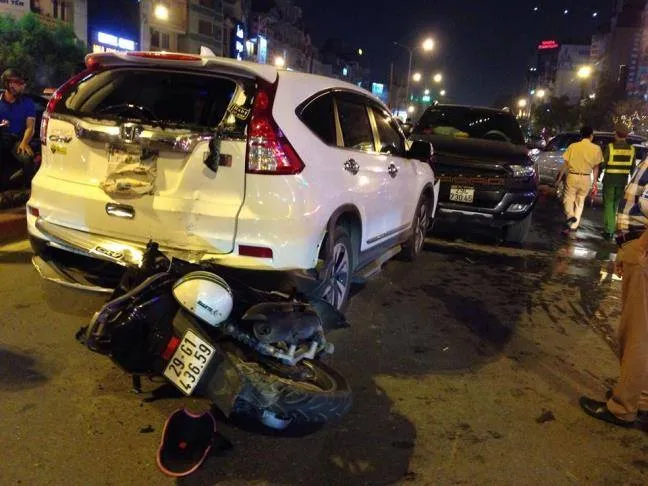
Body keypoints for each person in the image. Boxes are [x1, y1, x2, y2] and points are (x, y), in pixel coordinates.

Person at [579, 157, 648, 427]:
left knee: (636, 333)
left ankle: (623, 406)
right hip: (637, 245)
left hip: (643, 249)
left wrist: (639, 247)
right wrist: (625, 246)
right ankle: (640, 398)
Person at [556, 126, 603, 233]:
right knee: (580, 201)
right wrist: (595, 182)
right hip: (586, 177)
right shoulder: (596, 149)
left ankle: (570, 215)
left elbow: (565, 164)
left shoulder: (573, 146)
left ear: (581, 135)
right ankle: (573, 226)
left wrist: (559, 178)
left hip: (572, 176)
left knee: (568, 198)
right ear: (591, 136)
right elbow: (596, 168)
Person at [0, 68, 36, 191]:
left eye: (23, 83)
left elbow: (30, 127)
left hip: (17, 140)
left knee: (27, 159)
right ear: (7, 84)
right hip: (1, 138)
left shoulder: (28, 103)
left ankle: (26, 190)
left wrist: (24, 142)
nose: (23, 86)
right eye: (18, 83)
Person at [600, 124, 635, 240]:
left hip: (610, 180)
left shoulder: (610, 147)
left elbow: (603, 164)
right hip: (622, 181)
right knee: (615, 205)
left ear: (616, 134)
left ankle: (609, 230)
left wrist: (598, 172)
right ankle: (611, 227)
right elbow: (633, 168)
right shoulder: (632, 149)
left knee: (608, 204)